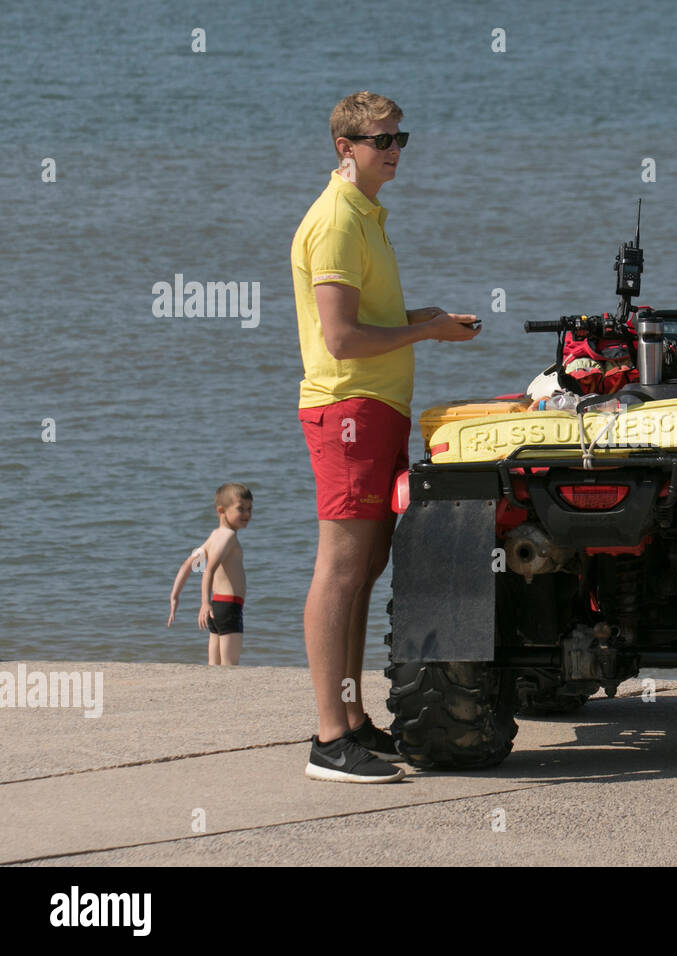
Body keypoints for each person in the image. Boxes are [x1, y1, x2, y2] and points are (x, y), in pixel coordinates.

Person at [292, 90, 480, 783]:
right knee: (340, 568)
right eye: (381, 141)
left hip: (376, 407)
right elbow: (340, 339)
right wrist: (424, 331)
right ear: (346, 148)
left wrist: (420, 317)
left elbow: (362, 317)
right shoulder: (337, 220)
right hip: (347, 407)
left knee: (366, 567)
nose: (395, 150)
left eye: (402, 137)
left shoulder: (367, 215)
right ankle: (327, 739)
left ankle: (353, 719)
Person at [167, 483, 253, 666]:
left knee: (214, 666)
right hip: (229, 607)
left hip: (218, 606)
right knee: (230, 665)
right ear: (221, 510)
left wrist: (175, 595)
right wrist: (204, 603)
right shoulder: (228, 537)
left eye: (249, 509)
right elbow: (210, 569)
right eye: (240, 509)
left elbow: (188, 565)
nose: (246, 514)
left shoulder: (214, 536)